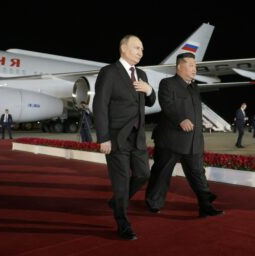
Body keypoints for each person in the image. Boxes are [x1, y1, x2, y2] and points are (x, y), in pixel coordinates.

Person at [92, 35, 156, 240]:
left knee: (143, 174)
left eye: (143, 49)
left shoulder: (142, 74)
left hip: (137, 138)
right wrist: (103, 138)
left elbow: (150, 102)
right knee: (121, 182)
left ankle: (119, 200)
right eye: (137, 48)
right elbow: (99, 106)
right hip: (116, 137)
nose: (141, 52)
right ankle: (123, 223)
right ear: (123, 48)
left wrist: (149, 90)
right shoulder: (109, 72)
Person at [146, 52, 223, 217]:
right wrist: (180, 119)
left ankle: (206, 206)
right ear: (179, 66)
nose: (195, 69)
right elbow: (167, 104)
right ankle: (154, 203)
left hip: (193, 141)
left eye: (195, 66)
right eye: (191, 65)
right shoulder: (167, 83)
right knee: (162, 173)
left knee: (198, 174)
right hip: (171, 139)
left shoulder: (194, 87)